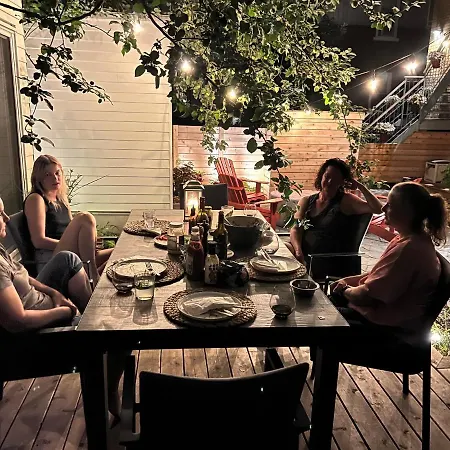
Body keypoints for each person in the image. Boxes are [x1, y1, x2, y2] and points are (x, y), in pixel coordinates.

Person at [0, 197, 125, 419]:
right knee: (120, 331)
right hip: (37, 333)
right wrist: (65, 311)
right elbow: (18, 321)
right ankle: (108, 389)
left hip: (43, 302)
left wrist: (54, 293)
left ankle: (94, 316)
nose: (7, 218)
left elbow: (23, 275)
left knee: (68, 259)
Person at [331, 181, 445, 333]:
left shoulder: (409, 249)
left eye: (390, 205)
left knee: (321, 316)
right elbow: (379, 276)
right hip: (380, 316)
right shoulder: (409, 239)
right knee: (328, 301)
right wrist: (346, 281)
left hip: (385, 328)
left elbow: (367, 297)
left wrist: (344, 289)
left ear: (407, 212)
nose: (383, 208)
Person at [24, 155, 112, 286]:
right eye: (48, 175)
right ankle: (92, 277)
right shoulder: (36, 199)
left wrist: (89, 242)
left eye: (57, 173)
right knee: (85, 218)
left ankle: (93, 278)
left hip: (70, 252)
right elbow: (38, 241)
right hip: (51, 259)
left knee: (118, 254)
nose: (55, 178)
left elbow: (71, 231)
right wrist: (76, 244)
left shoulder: (60, 198)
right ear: (39, 178)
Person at [287, 158, 383, 276]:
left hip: (328, 259)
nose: (329, 182)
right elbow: (296, 229)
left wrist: (360, 186)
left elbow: (379, 209)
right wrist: (298, 251)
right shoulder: (306, 201)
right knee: (280, 251)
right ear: (321, 176)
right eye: (327, 176)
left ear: (342, 182)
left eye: (336, 179)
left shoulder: (346, 201)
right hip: (304, 253)